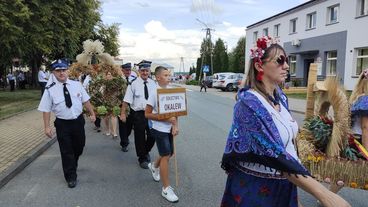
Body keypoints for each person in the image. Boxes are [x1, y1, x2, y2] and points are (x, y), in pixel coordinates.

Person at [220, 37, 350, 207]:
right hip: (255, 190)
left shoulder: (280, 97)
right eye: (280, 61)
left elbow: (290, 141)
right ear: (260, 66)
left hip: (285, 184)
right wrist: (325, 195)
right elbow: (275, 153)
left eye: (287, 60)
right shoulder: (248, 103)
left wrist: (322, 158)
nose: (287, 66)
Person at [38, 59, 96, 188]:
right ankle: (71, 176)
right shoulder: (49, 90)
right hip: (62, 124)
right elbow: (46, 109)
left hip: (78, 122)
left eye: (64, 70)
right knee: (66, 151)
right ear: (53, 73)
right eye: (58, 71)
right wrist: (47, 127)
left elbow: (86, 100)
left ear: (68, 71)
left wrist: (92, 113)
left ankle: (73, 163)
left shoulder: (77, 85)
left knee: (79, 146)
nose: (61, 73)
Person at [145, 66, 179, 203]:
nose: (168, 77)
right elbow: (147, 114)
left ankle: (154, 166)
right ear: (158, 77)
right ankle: (166, 189)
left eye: (169, 75)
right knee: (166, 155)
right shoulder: (154, 92)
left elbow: (177, 111)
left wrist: (175, 125)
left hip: (169, 128)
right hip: (158, 128)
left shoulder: (172, 91)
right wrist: (165, 119)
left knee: (169, 153)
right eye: (165, 75)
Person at [120, 60, 156, 169]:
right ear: (139, 71)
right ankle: (142, 158)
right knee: (139, 137)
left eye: (147, 70)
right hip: (138, 114)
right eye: (143, 70)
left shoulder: (153, 83)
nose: (145, 73)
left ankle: (146, 151)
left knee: (152, 136)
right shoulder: (133, 84)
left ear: (150, 71)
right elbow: (126, 100)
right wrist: (123, 114)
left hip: (151, 114)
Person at [118, 63, 136, 152]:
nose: (128, 72)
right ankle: (124, 143)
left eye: (129, 70)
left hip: (131, 105)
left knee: (129, 124)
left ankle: (126, 136)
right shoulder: (117, 80)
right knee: (122, 124)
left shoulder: (134, 80)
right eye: (126, 70)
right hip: (120, 105)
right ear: (122, 70)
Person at [102, 71, 118, 138]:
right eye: (108, 74)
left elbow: (118, 92)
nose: (110, 75)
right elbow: (101, 92)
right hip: (105, 101)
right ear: (106, 75)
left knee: (113, 115)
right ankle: (108, 129)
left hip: (113, 100)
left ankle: (114, 132)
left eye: (111, 74)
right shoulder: (103, 83)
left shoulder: (116, 83)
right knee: (106, 116)